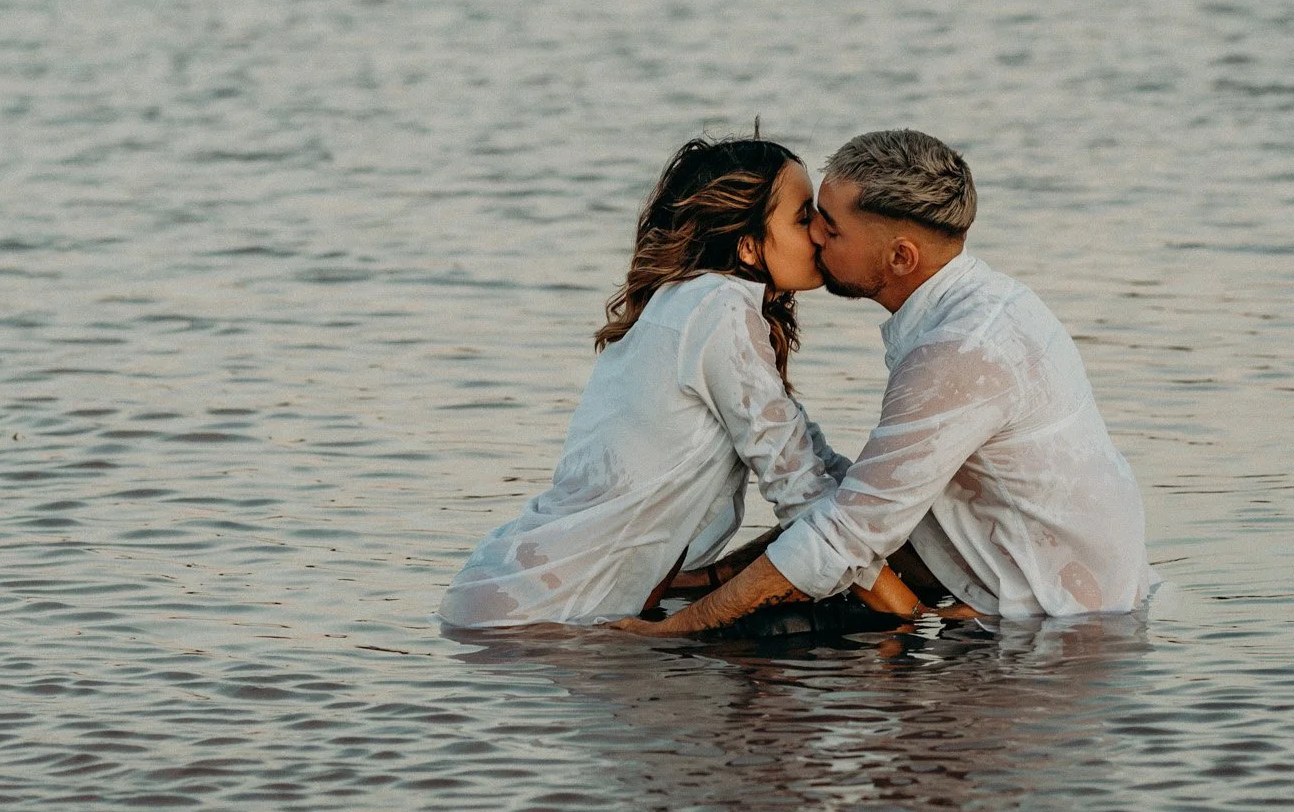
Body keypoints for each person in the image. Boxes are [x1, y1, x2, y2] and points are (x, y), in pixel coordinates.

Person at [615, 130, 1155, 637]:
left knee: (709, 659)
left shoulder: (960, 352)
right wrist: (712, 579)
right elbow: (860, 502)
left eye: (829, 225)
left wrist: (670, 632)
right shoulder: (978, 306)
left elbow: (845, 535)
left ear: (900, 257)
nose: (814, 237)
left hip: (1054, 621)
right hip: (1024, 588)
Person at [440, 135, 925, 628]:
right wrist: (917, 616)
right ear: (748, 246)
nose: (822, 232)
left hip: (513, 598)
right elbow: (801, 490)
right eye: (803, 218)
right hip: (537, 615)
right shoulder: (718, 311)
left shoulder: (694, 303)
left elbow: (813, 462)